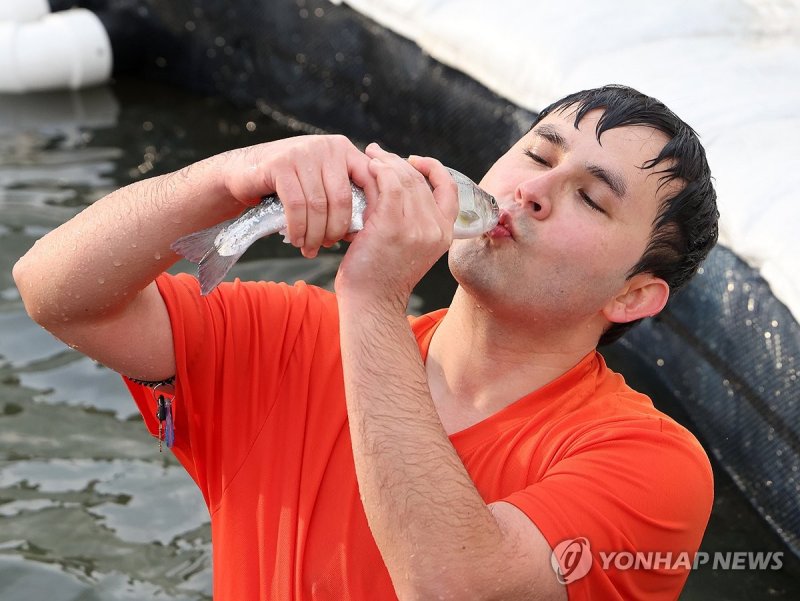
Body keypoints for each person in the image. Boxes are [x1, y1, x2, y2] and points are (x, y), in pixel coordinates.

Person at [13, 84, 718, 600]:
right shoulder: (294, 337)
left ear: (633, 295)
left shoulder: (654, 464)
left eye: (592, 198)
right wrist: (231, 177)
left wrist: (373, 296)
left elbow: (454, 587)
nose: (535, 189)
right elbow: (55, 290)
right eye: (537, 153)